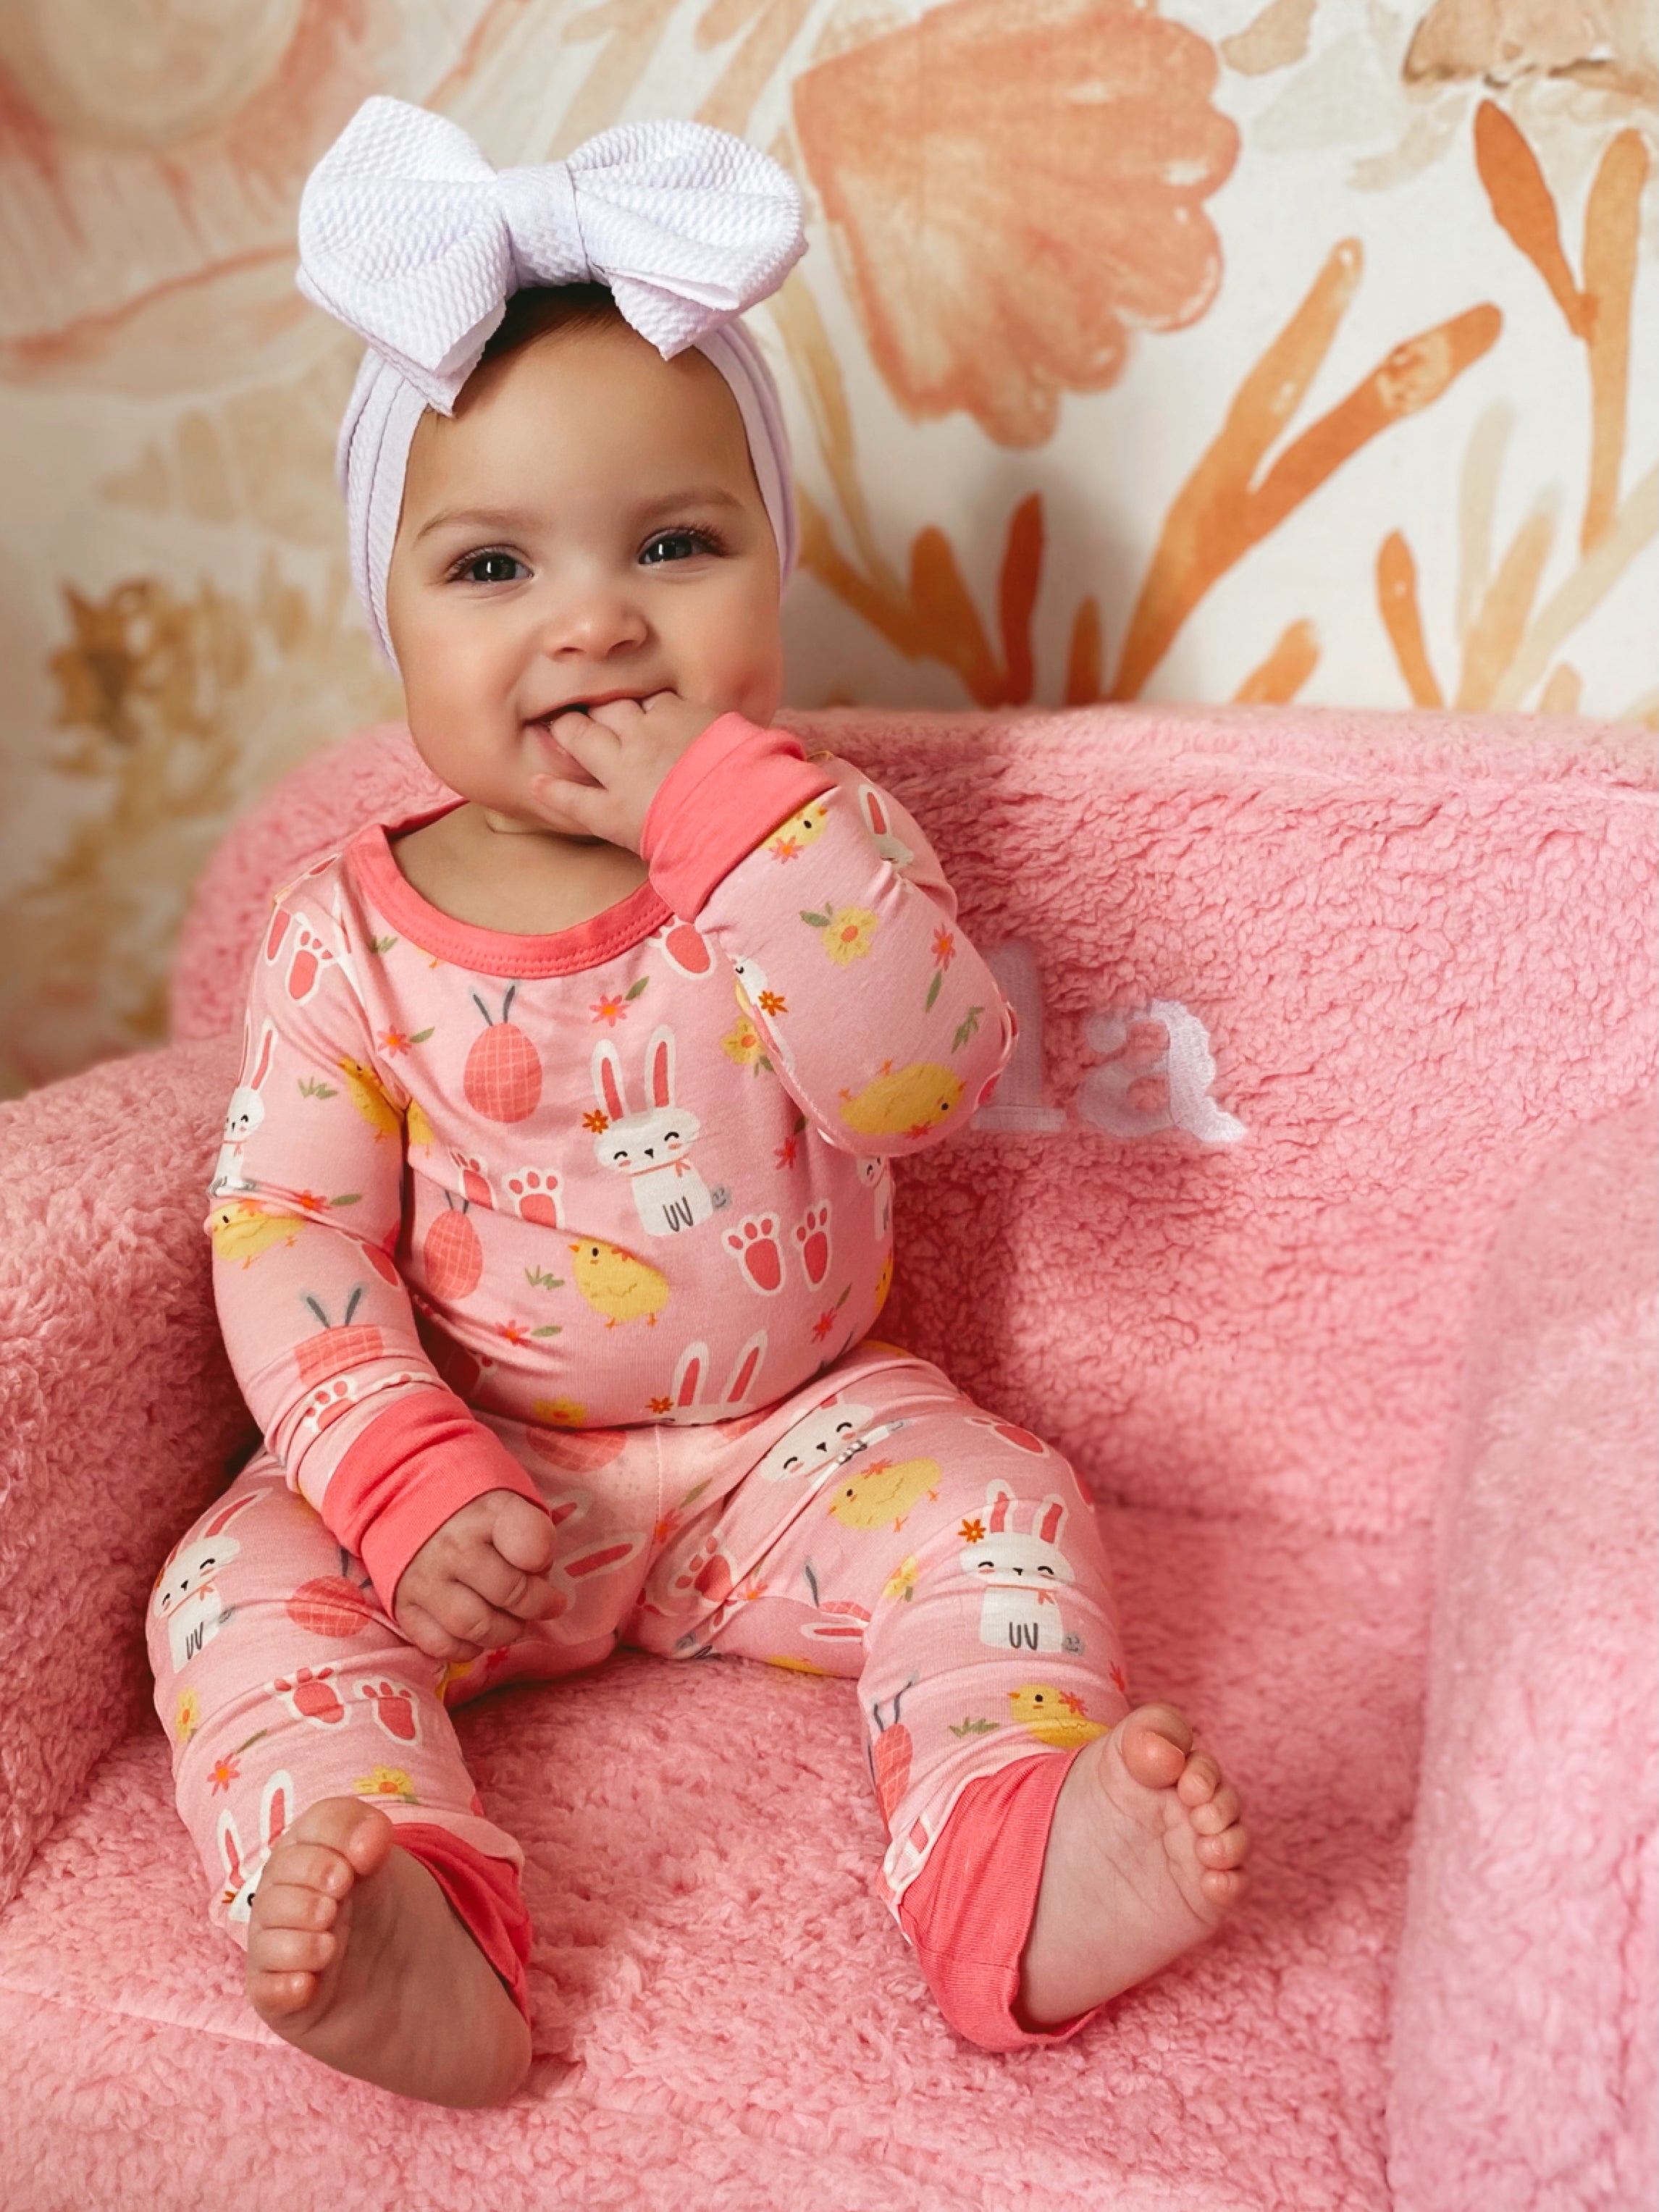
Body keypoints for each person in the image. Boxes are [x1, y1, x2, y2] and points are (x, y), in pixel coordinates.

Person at [149, 98, 1250, 2108]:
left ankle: (1013, 1847)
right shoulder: (342, 937)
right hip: (473, 1487)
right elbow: (286, 1232)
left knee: (1001, 1504)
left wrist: (737, 829)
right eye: (493, 564)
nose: (593, 623)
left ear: (768, 573)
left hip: (787, 1455)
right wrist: (395, 1474)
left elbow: (916, 1079)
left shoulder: (817, 841)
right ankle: (407, 1903)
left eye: (671, 544)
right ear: (388, 618)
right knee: (230, 1589)